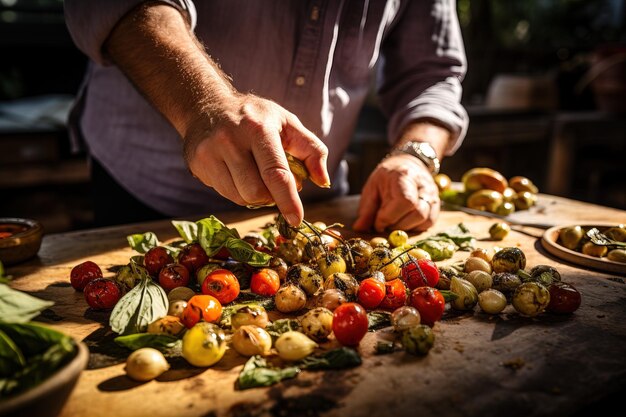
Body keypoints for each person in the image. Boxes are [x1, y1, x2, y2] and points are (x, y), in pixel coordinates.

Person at [63, 0, 468, 233]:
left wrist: (416, 155)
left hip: (319, 208)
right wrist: (206, 106)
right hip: (147, 197)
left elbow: (431, 72)